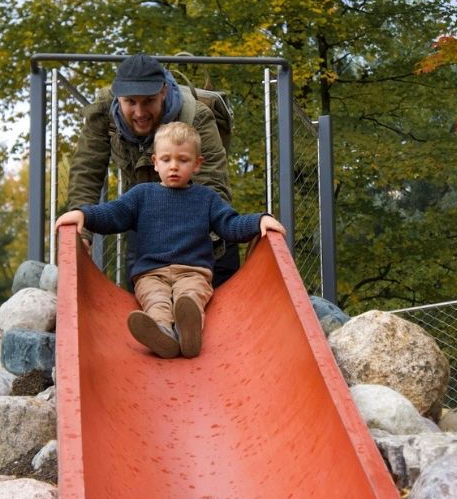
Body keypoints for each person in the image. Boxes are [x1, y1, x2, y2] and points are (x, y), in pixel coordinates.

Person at [55, 122, 285, 359]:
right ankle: (162, 332)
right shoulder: (142, 195)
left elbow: (230, 224)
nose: (174, 166)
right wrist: (84, 214)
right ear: (155, 162)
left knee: (190, 295)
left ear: (197, 164)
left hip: (193, 271)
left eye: (183, 160)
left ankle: (188, 331)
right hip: (151, 273)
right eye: (166, 160)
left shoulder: (207, 199)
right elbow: (114, 213)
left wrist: (260, 220)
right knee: (155, 298)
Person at [65, 52, 240, 287]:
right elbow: (87, 169)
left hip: (200, 228)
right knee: (143, 293)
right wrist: (82, 231)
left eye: (148, 101)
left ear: (163, 92)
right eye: (130, 102)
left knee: (212, 299)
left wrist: (193, 253)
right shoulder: (103, 114)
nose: (139, 112)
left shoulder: (196, 116)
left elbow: (213, 183)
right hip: (148, 223)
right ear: (118, 98)